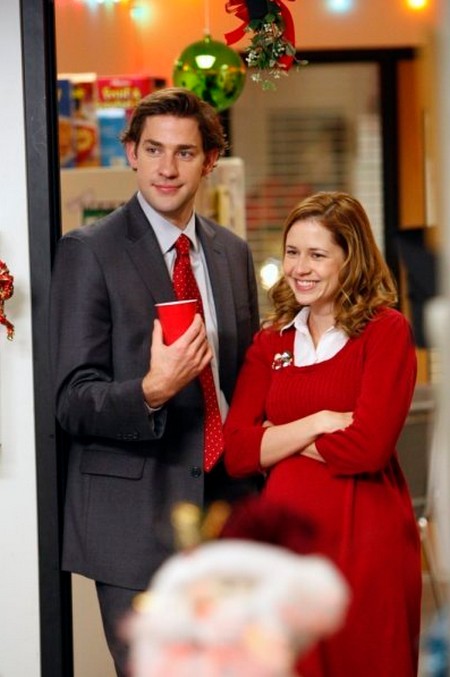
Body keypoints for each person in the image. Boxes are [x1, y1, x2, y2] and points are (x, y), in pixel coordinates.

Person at [49, 87, 260, 676]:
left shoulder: (232, 254)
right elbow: (71, 400)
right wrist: (152, 390)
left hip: (225, 511)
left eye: (185, 152)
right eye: (154, 150)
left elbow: (244, 385)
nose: (167, 168)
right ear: (131, 153)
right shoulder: (88, 251)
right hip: (133, 524)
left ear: (210, 160)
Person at [223, 191, 422, 676]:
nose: (299, 268)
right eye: (293, 252)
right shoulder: (271, 341)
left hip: (366, 541)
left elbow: (368, 448)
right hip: (286, 551)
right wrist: (317, 422)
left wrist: (275, 437)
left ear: (350, 260)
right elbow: (237, 451)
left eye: (317, 254)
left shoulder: (386, 331)